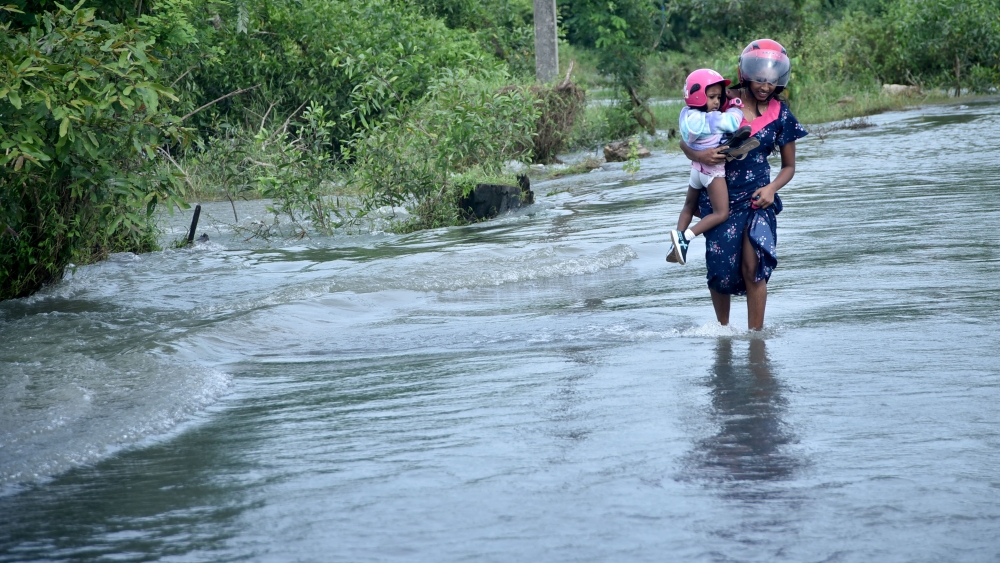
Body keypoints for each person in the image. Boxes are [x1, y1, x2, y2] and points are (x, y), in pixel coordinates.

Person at [679, 39, 808, 330]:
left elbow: (789, 167)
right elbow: (684, 139)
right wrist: (701, 154)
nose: (765, 85)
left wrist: (772, 188)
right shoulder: (722, 100)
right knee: (720, 269)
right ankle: (722, 333)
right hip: (720, 195)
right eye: (760, 78)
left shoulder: (781, 114)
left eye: (772, 80)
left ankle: (755, 337)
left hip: (758, 198)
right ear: (746, 73)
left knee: (754, 267)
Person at [666, 68, 750, 265]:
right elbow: (730, 122)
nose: (716, 102)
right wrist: (736, 107)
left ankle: (675, 245)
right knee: (721, 213)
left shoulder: (686, 115)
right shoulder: (708, 119)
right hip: (712, 172)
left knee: (688, 206)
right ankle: (686, 237)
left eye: (719, 97)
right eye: (712, 97)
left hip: (696, 168)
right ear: (697, 96)